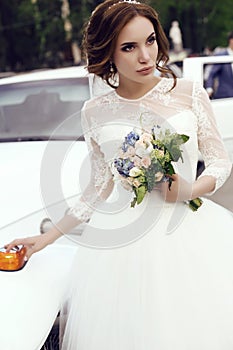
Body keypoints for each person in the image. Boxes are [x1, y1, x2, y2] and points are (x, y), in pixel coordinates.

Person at [6, 1, 233, 349]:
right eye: (129, 47)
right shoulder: (94, 111)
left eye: (150, 41)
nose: (145, 56)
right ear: (108, 53)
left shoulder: (189, 94)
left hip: (190, 236)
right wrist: (45, 239)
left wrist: (189, 189)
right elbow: (97, 188)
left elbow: (220, 162)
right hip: (121, 252)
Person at [205, 31, 233, 99]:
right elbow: (212, 74)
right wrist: (209, 89)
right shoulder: (222, 56)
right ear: (231, 40)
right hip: (225, 96)